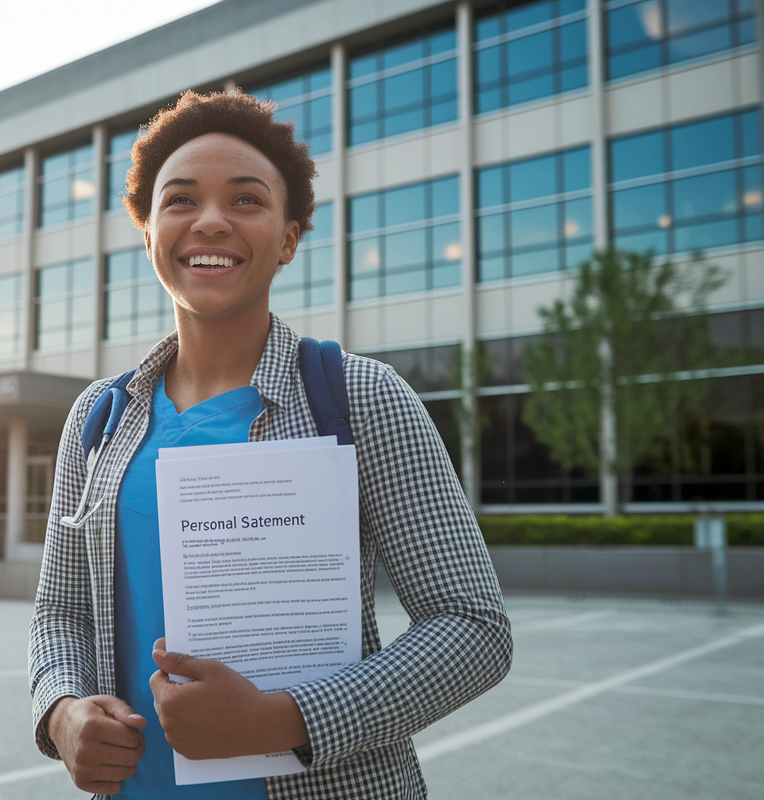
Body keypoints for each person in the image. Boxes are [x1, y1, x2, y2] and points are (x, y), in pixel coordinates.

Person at [28, 90, 511, 799]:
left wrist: (286, 720)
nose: (211, 221)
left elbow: (473, 628)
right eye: (182, 200)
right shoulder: (99, 418)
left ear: (287, 238)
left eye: (246, 200)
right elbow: (59, 613)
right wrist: (62, 710)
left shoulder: (360, 397)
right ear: (151, 232)